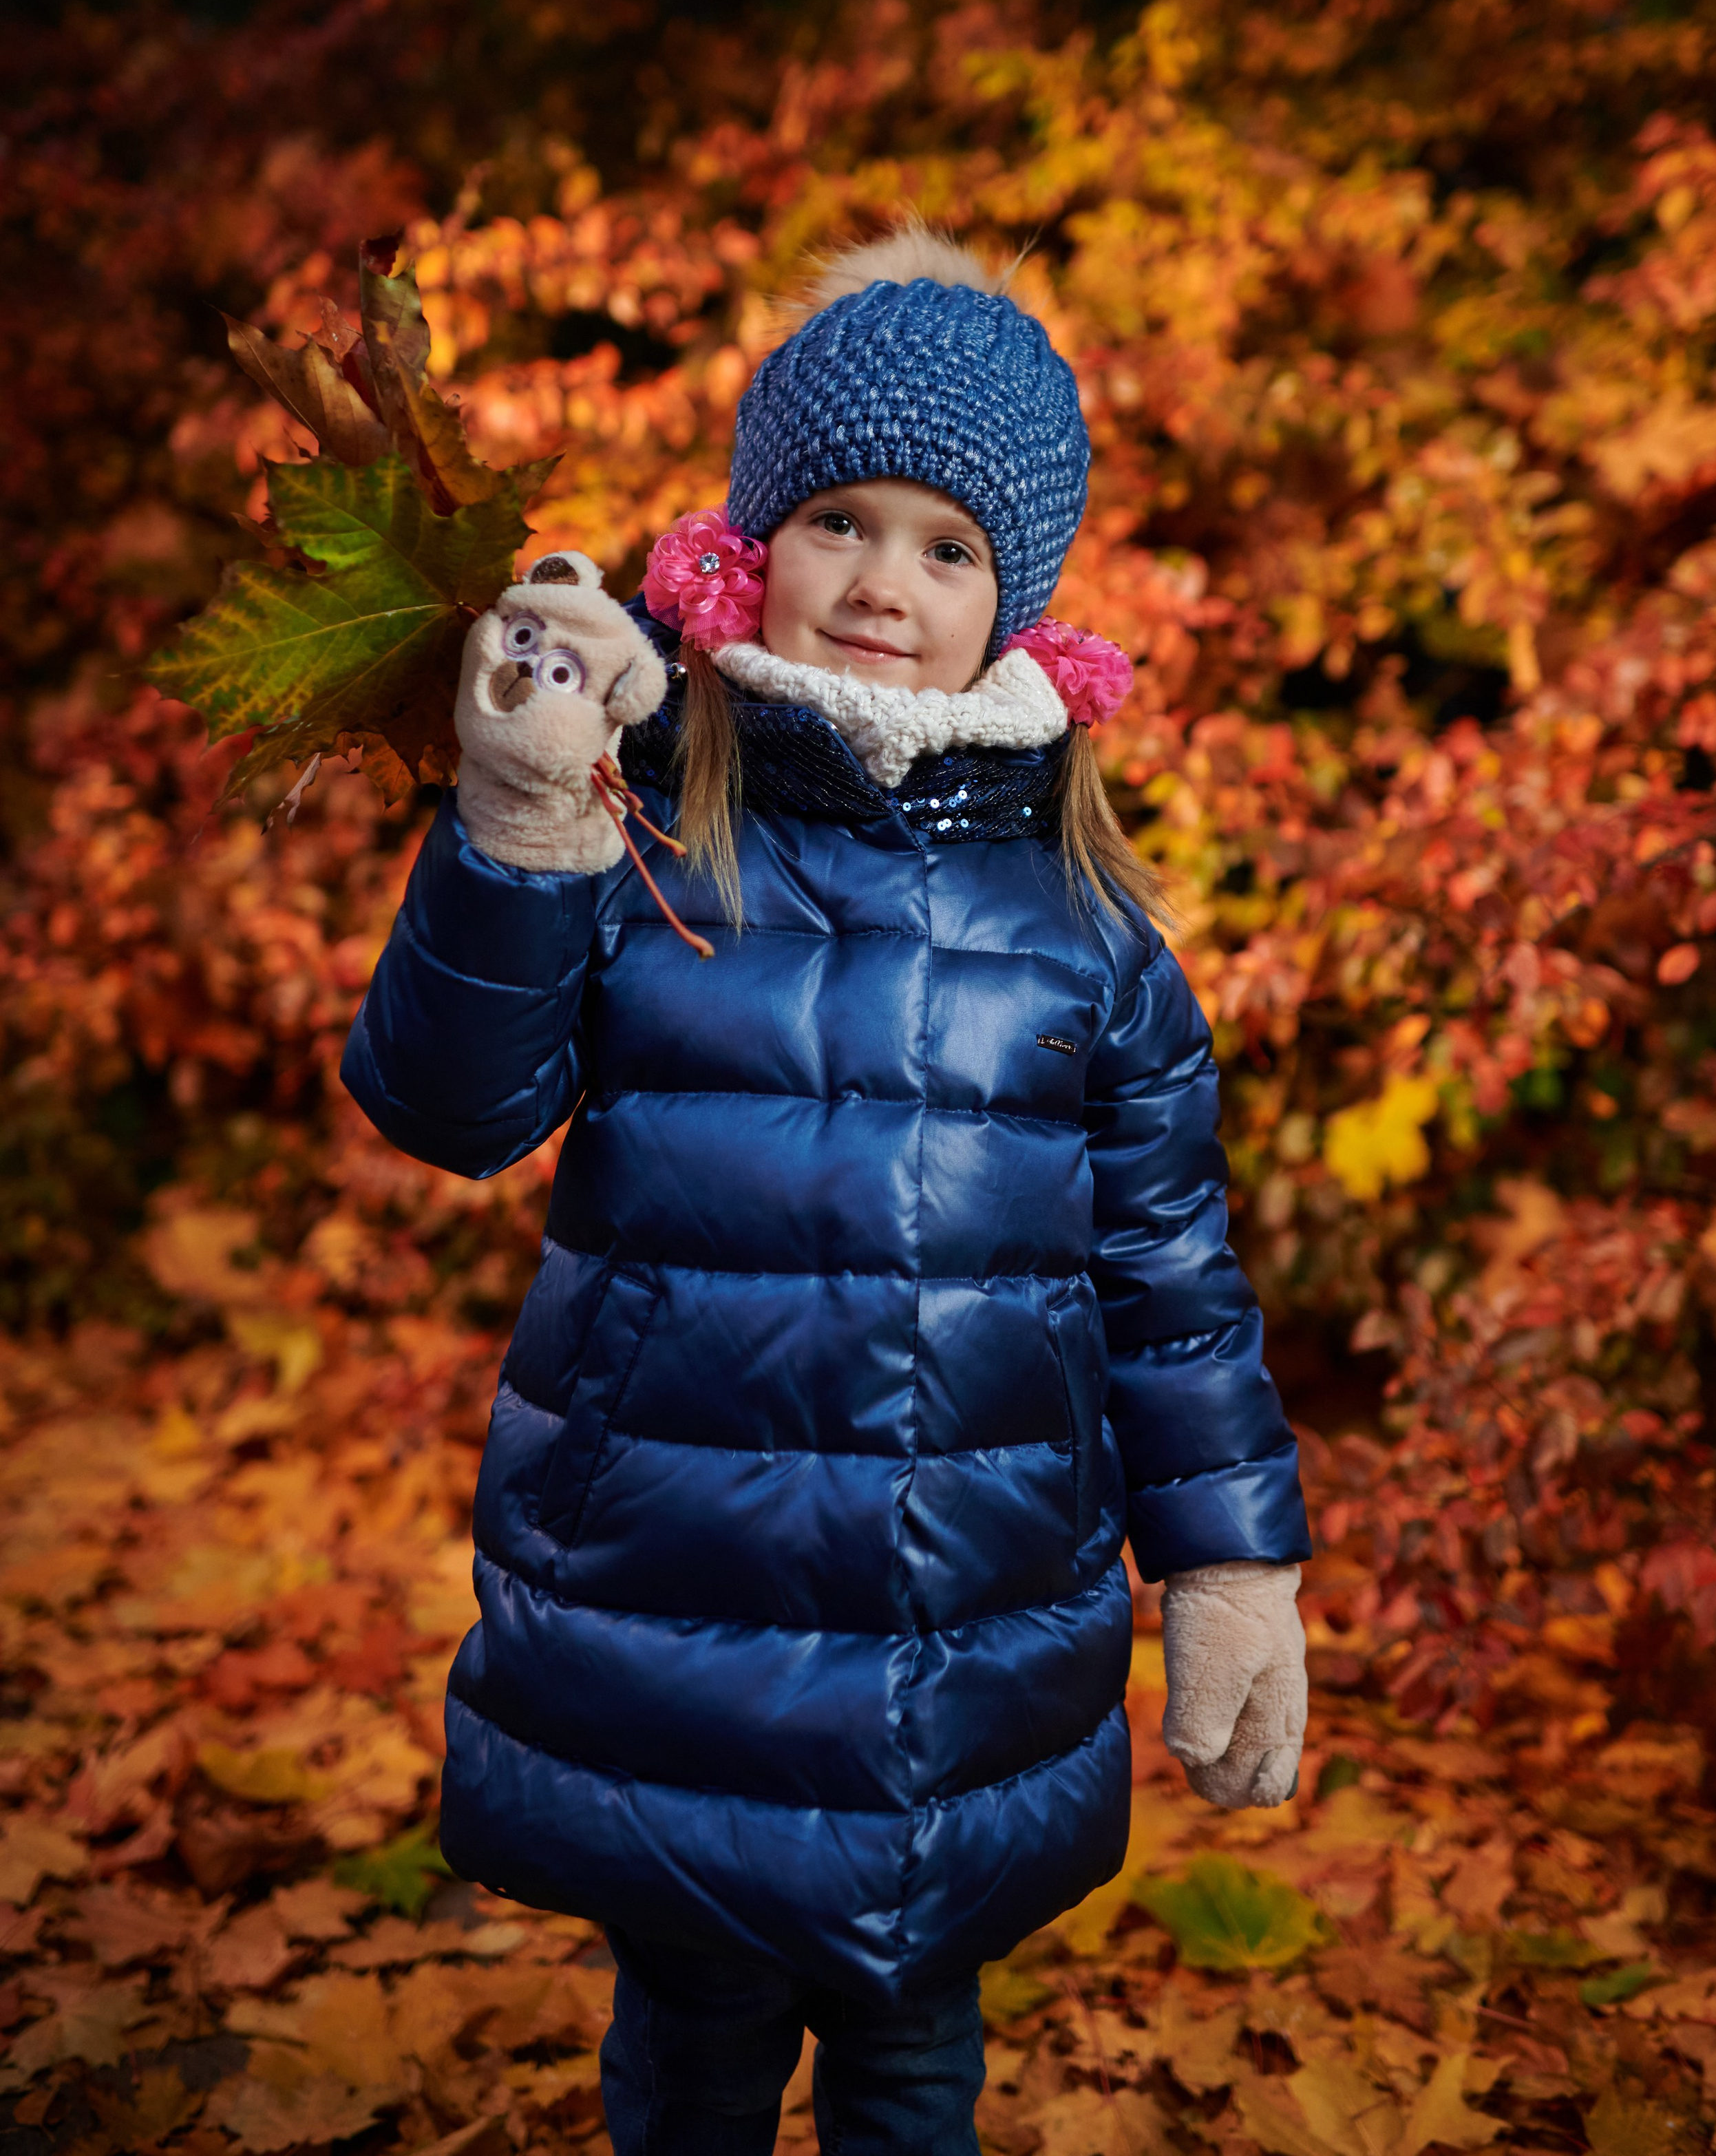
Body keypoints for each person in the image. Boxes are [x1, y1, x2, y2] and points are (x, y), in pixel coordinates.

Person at [342, 230, 1311, 2156]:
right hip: (675, 1596)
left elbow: (1170, 1279)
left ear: (1014, 600)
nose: (884, 583)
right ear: (754, 537)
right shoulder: (650, 842)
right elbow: (456, 1108)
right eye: (842, 522)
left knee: (913, 2069)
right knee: (692, 2058)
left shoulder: (1087, 938)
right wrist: (521, 822)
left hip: (977, 1621)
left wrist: (1232, 1569)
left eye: (948, 549)